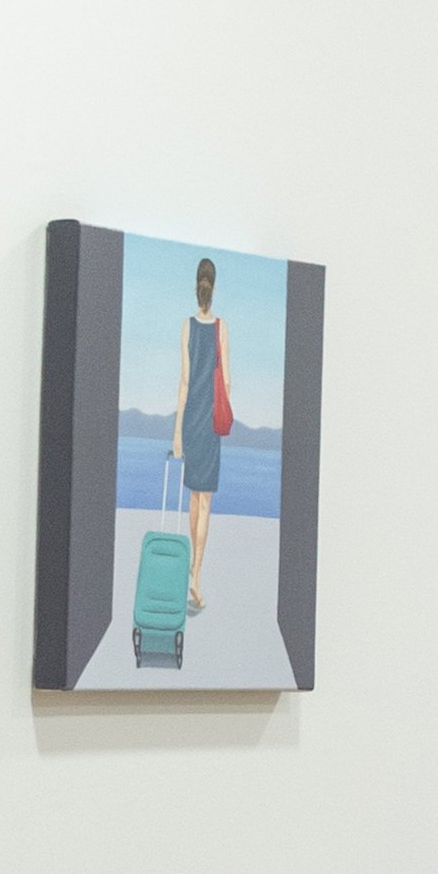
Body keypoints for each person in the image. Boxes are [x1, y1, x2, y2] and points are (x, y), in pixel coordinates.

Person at [180, 253, 235, 617]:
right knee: (206, 503)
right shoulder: (221, 328)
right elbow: (226, 379)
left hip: (191, 422)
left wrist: (175, 434)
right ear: (213, 289)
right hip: (211, 423)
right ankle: (196, 576)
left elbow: (184, 382)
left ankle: (191, 574)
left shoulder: (186, 327)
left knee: (192, 499)